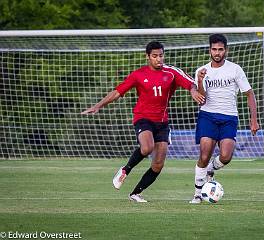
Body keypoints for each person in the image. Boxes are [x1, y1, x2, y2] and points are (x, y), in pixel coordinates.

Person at [81, 41, 204, 202]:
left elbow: (190, 84)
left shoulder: (171, 72)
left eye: (161, 55)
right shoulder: (138, 74)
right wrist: (98, 106)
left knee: (158, 164)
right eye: (154, 56)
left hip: (162, 122)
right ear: (147, 57)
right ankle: (125, 170)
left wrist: (194, 91)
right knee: (147, 147)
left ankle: (135, 193)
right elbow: (118, 92)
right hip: (143, 118)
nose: (158, 59)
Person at [189, 34, 259, 204]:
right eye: (214, 49)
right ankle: (198, 193)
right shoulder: (202, 71)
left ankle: (210, 170)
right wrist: (199, 81)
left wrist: (254, 120)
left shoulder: (235, 69)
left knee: (226, 156)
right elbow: (202, 98)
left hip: (229, 117)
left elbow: (249, 94)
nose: (217, 52)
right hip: (208, 116)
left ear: (226, 50)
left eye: (220, 49)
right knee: (204, 155)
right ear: (209, 50)